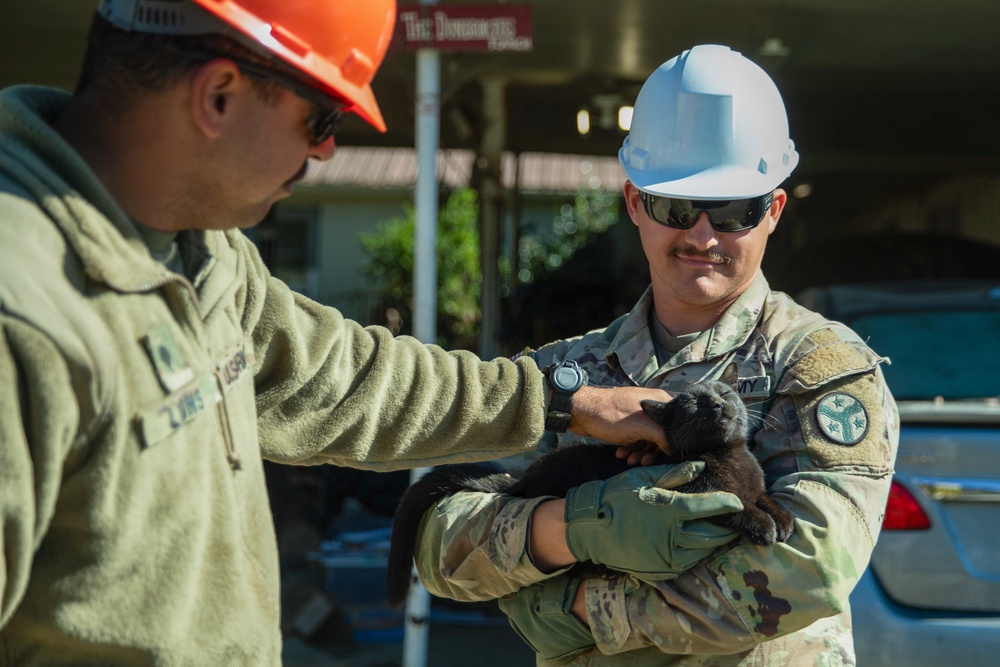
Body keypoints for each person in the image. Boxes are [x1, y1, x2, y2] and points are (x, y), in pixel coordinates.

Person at [0, 1, 711, 664]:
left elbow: (347, 379)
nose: (329, 155)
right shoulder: (24, 310)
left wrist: (563, 400)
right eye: (324, 119)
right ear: (218, 95)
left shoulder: (202, 253)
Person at [411, 44, 900, 666]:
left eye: (732, 211)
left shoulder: (816, 368)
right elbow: (441, 541)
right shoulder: (569, 376)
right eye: (676, 206)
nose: (703, 235)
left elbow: (808, 569)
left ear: (772, 211)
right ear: (635, 203)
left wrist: (579, 611)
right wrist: (570, 527)